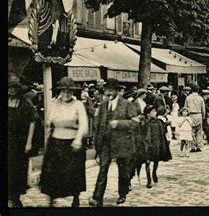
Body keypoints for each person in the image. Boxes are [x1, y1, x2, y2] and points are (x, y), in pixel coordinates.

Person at [89, 78, 139, 207]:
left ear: (117, 91)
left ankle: (122, 193)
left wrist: (119, 124)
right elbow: (98, 124)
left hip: (122, 142)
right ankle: (97, 197)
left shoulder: (127, 104)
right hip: (106, 142)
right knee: (103, 169)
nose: (108, 92)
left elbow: (136, 122)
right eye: (107, 90)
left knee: (123, 171)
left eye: (111, 90)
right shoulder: (103, 105)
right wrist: (97, 143)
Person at [39, 77, 88, 207]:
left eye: (69, 91)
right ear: (59, 92)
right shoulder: (54, 103)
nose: (66, 94)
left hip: (72, 143)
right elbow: (50, 119)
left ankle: (75, 198)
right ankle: (51, 197)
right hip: (56, 141)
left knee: (73, 172)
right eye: (63, 91)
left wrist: (78, 140)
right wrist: (49, 125)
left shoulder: (78, 105)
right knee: (52, 171)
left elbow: (84, 124)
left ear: (73, 92)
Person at [8, 74, 38, 208]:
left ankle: (15, 197)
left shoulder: (25, 102)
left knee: (17, 170)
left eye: (14, 88)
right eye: (9, 88)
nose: (11, 91)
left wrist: (29, 142)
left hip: (19, 142)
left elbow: (32, 122)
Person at [144, 106, 172, 188]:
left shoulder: (158, 122)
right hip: (147, 145)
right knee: (147, 162)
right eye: (152, 111)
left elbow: (162, 132)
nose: (155, 113)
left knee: (156, 161)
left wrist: (166, 125)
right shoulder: (145, 122)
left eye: (155, 111)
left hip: (156, 145)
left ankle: (154, 172)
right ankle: (149, 180)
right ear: (148, 114)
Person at [184, 84, 206, 153]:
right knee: (199, 131)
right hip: (199, 114)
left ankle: (193, 146)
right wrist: (203, 116)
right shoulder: (200, 98)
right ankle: (199, 146)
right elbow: (203, 109)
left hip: (191, 115)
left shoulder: (188, 98)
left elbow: (185, 108)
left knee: (191, 131)